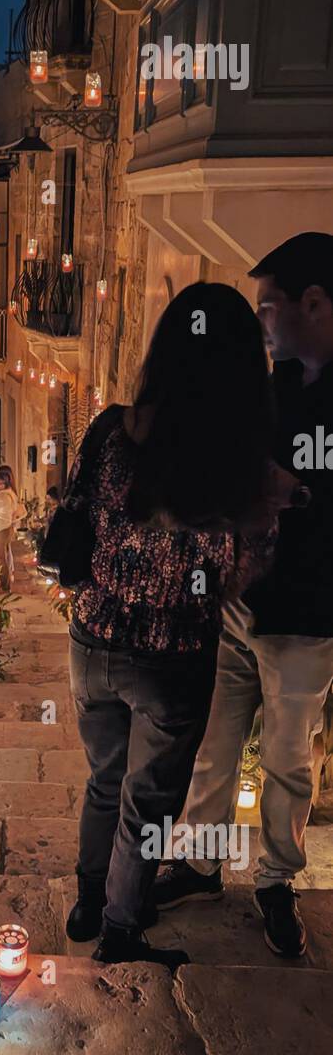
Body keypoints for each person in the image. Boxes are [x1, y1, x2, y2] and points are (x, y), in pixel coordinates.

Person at [65, 282, 295, 972]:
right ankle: (121, 927)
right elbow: (241, 572)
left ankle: (85, 904)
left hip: (93, 641)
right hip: (173, 657)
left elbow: (76, 515)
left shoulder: (111, 426)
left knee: (104, 779)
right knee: (149, 801)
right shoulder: (235, 465)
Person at [153, 235, 333, 958]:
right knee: (211, 745)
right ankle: (200, 861)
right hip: (238, 606)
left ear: (314, 305)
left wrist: (304, 491)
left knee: (291, 757)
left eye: (269, 309)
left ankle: (276, 880)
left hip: (308, 618)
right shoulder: (270, 388)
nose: (262, 326)